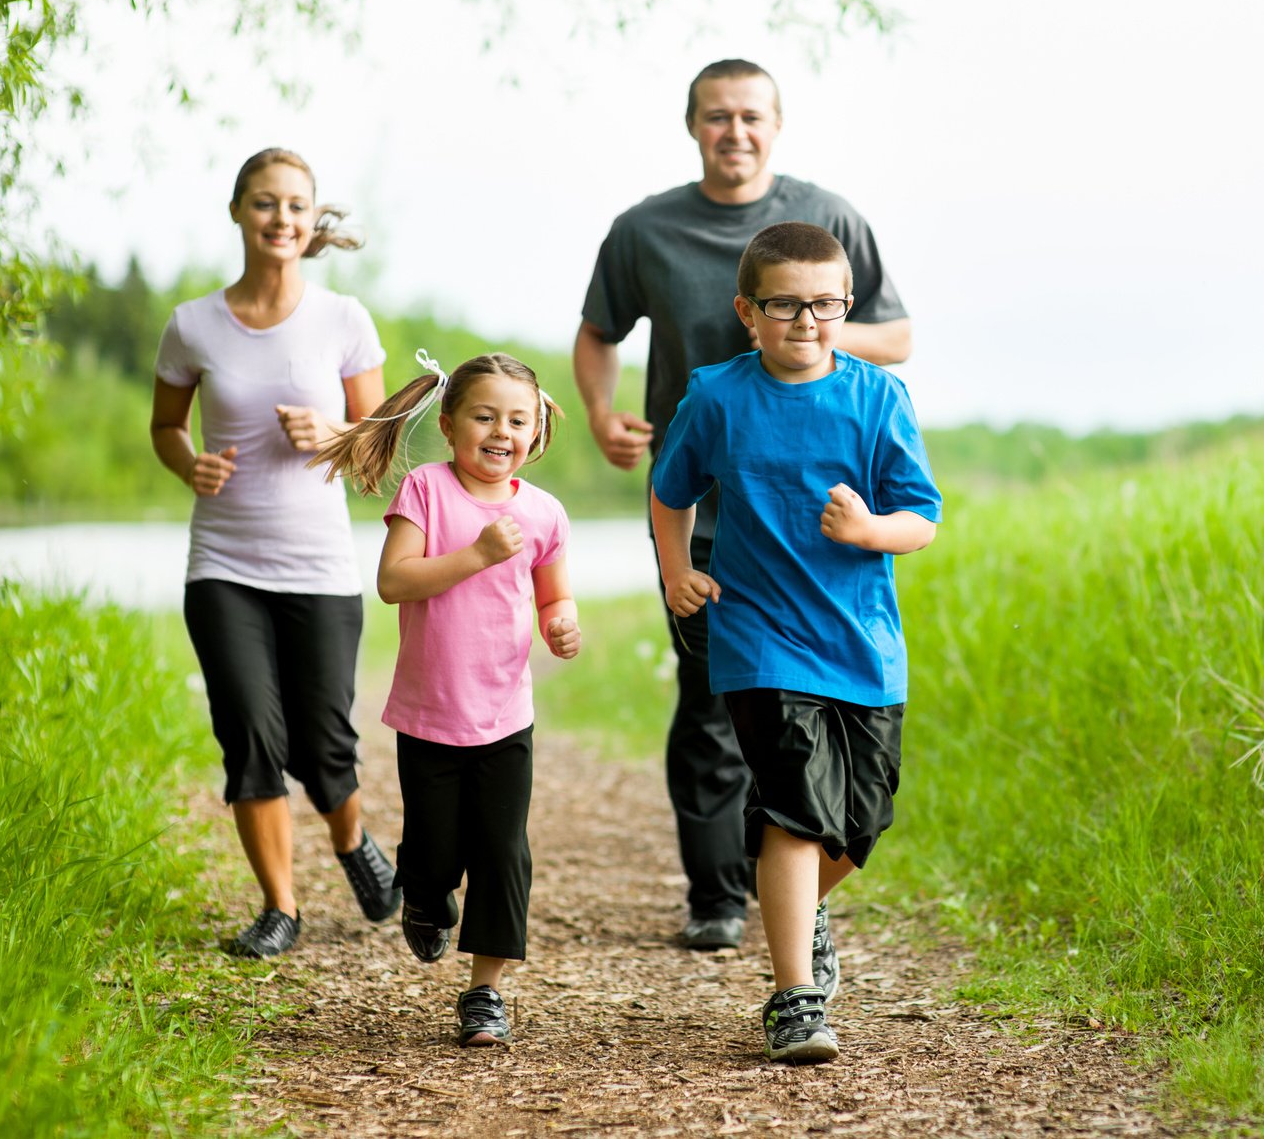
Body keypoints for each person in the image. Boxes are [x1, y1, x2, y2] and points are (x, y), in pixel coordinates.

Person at [574, 58, 914, 950]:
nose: (736, 131)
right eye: (717, 116)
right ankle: (718, 894)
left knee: (819, 749)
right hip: (702, 507)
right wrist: (605, 414)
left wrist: (803, 330)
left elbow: (899, 335)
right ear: (693, 126)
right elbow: (597, 334)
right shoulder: (644, 229)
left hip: (812, 517)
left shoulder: (830, 218)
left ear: (776, 124)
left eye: (751, 116)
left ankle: (787, 879)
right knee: (710, 703)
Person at [650, 222, 941, 1063]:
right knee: (795, 810)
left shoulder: (877, 397)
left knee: (860, 822)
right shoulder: (715, 396)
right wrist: (676, 571)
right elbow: (671, 493)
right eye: (785, 304)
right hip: (759, 635)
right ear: (748, 311)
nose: (806, 320)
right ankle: (793, 998)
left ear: (844, 308)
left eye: (825, 304)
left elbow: (920, 521)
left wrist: (868, 529)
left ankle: (796, 903)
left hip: (862, 642)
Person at [150, 147, 400, 960]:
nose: (280, 219)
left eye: (295, 205)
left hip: (320, 569)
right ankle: (280, 908)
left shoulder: (343, 319)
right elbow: (165, 426)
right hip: (223, 564)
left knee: (325, 747)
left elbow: (376, 456)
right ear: (238, 213)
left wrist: (334, 435)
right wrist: (189, 462)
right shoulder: (192, 324)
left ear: (311, 218)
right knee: (250, 735)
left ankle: (351, 838)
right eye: (264, 204)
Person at [312, 351, 580, 1047]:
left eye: (516, 419)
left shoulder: (544, 513)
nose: (501, 430)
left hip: (505, 714)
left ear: (535, 430)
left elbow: (553, 592)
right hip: (431, 713)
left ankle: (485, 992)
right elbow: (395, 582)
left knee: (502, 851)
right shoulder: (427, 492)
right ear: (452, 422)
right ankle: (424, 896)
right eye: (485, 415)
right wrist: (477, 556)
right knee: (433, 853)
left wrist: (560, 621)